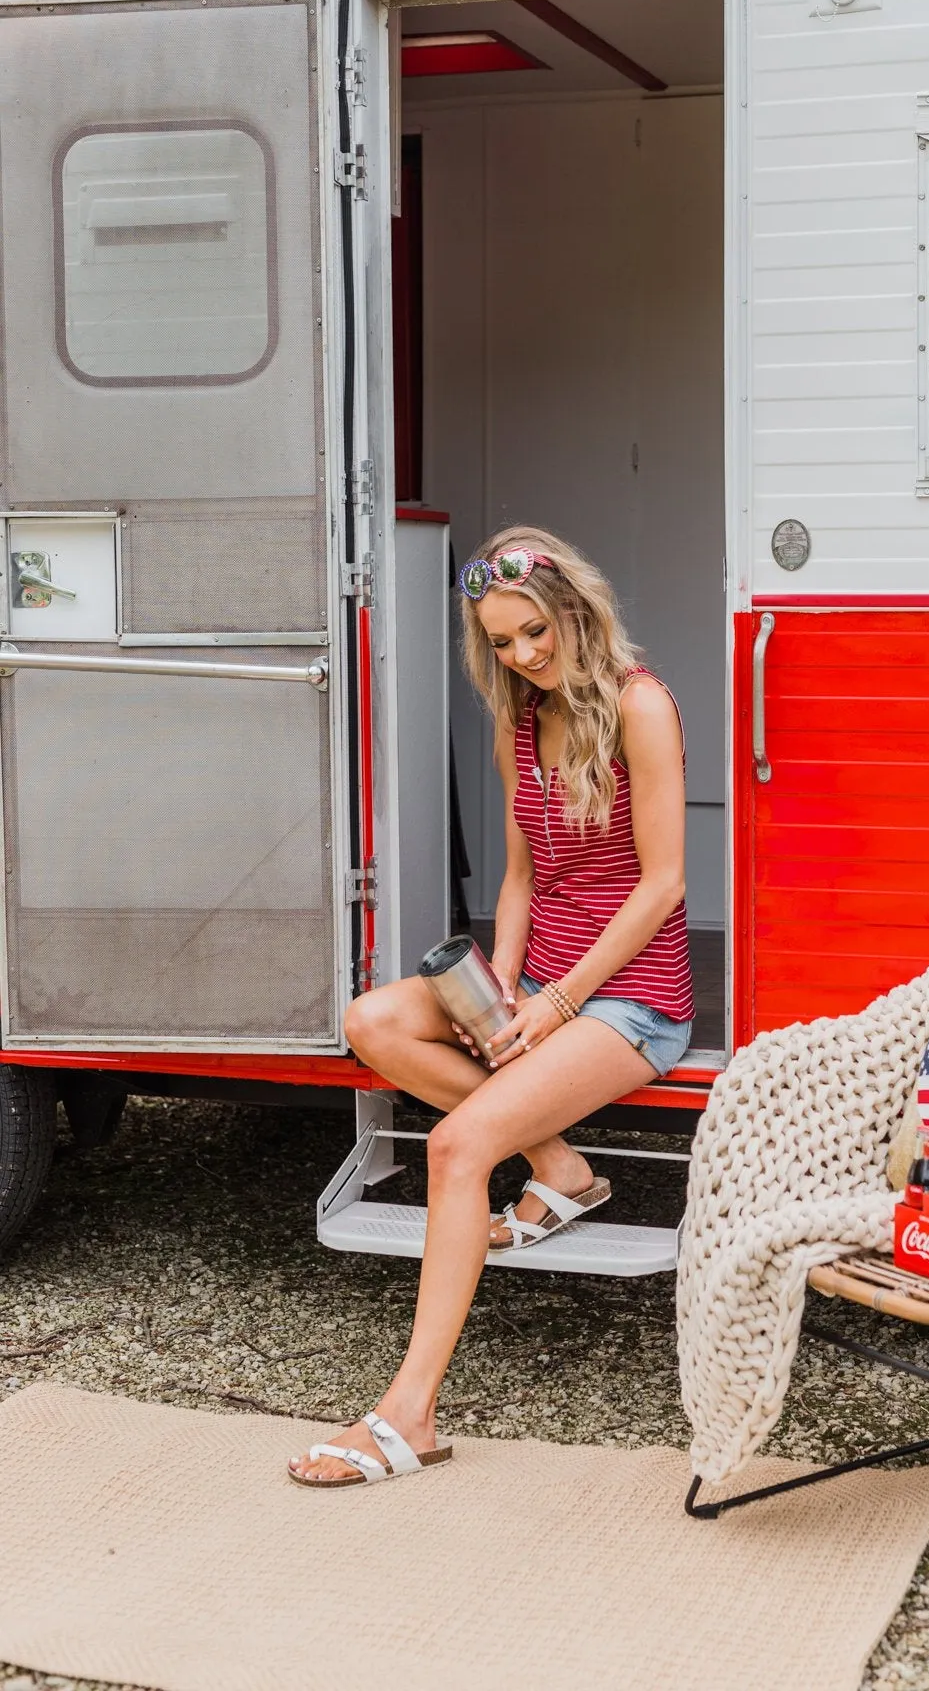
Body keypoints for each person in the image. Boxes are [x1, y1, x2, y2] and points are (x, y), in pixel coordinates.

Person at [288, 525, 694, 1486]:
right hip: (545, 980)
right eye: (502, 643)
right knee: (372, 1022)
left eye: (534, 634)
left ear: (573, 609)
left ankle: (409, 1416)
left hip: (628, 999)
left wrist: (555, 1003)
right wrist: (502, 981)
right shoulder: (523, 719)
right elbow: (518, 875)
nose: (522, 656)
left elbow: (665, 884)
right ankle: (559, 1166)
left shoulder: (641, 707)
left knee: (456, 1147)